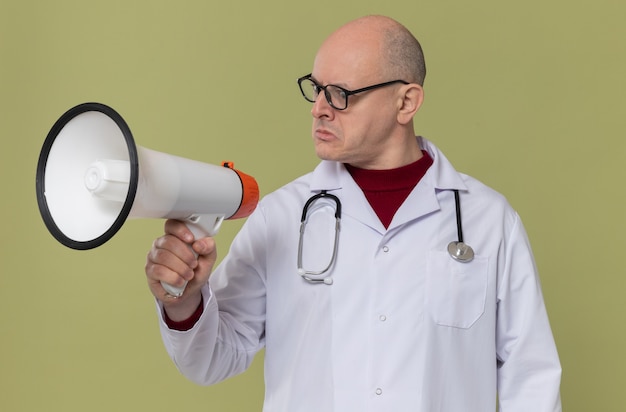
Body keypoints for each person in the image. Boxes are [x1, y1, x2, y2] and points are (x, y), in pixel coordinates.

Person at [145, 15, 562, 411]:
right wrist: (184, 302)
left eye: (341, 94)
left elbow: (531, 379)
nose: (319, 109)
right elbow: (213, 359)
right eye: (316, 88)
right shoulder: (283, 216)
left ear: (406, 102)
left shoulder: (488, 220)